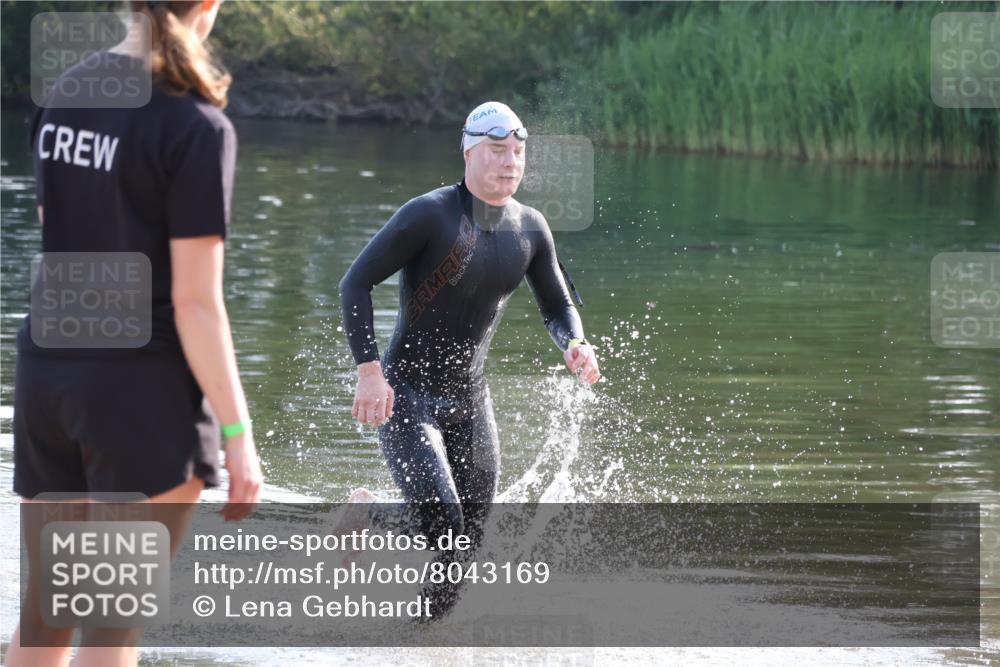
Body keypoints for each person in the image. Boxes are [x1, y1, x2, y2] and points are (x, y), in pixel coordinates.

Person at [6, 2, 262, 666]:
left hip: (46, 378)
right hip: (139, 395)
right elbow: (195, 303)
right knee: (109, 629)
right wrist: (238, 437)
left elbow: (56, 227)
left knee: (46, 618)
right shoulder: (196, 124)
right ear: (208, 5)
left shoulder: (66, 91)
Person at [338, 100, 601, 616]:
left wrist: (575, 343)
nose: (510, 163)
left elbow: (557, 304)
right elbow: (355, 283)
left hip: (469, 401)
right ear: (468, 152)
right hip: (407, 394)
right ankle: (370, 521)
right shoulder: (430, 214)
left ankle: (421, 635)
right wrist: (369, 374)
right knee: (446, 525)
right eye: (498, 151)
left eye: (518, 153)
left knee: (467, 545)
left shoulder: (530, 228)